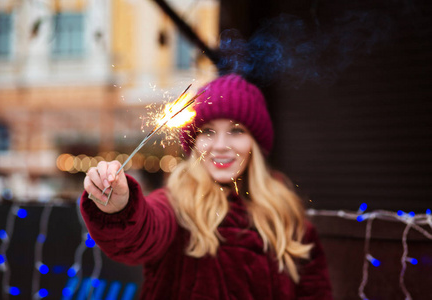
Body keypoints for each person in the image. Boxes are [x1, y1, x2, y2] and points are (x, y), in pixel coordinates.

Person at [80, 74, 333, 299]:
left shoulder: (286, 215)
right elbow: (141, 235)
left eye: (236, 130)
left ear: (255, 143)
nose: (221, 145)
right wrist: (120, 208)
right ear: (194, 142)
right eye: (208, 132)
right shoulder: (175, 203)